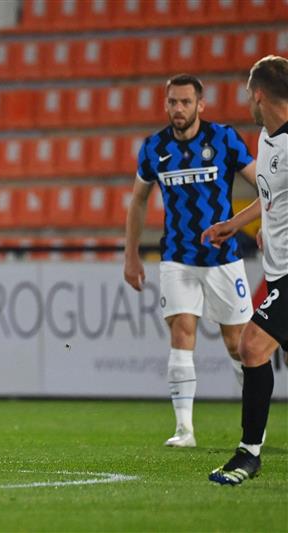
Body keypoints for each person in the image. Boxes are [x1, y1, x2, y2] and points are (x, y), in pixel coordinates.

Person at [124, 74, 258, 448]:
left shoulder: (224, 139)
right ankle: (184, 430)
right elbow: (137, 200)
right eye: (172, 102)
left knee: (238, 344)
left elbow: (262, 183)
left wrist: (257, 225)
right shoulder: (154, 148)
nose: (177, 109)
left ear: (201, 105)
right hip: (177, 257)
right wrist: (131, 254)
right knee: (182, 332)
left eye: (185, 102)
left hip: (223, 259)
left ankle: (254, 422)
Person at [202, 55, 288, 485]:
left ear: (259, 95)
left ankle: (248, 454)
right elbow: (272, 196)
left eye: (247, 95)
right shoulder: (266, 138)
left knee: (252, 347)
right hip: (278, 271)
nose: (246, 103)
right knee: (258, 350)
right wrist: (237, 224)